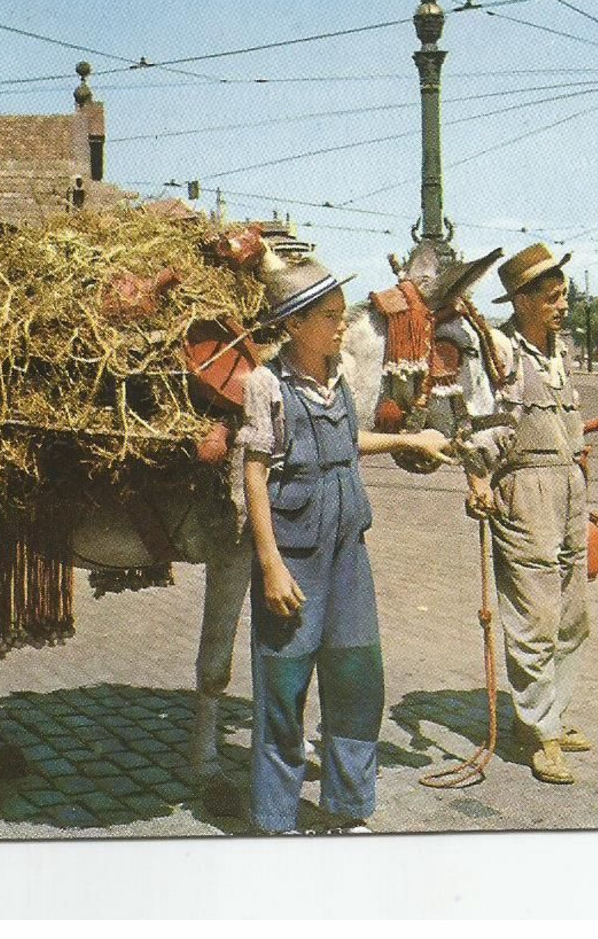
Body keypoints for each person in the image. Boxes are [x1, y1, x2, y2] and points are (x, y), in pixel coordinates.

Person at [239, 257, 450, 834]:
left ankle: (347, 807)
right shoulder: (267, 384)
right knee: (283, 687)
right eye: (329, 317)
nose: (339, 327)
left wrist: (411, 437)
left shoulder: (337, 379)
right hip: (295, 553)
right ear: (294, 324)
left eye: (339, 316)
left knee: (357, 678)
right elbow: (254, 471)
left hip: (348, 550)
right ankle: (276, 817)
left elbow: (347, 440)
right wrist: (271, 564)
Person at [463, 242, 593, 785]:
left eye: (564, 296)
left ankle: (554, 715)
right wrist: (476, 480)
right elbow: (473, 424)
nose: (562, 305)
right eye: (552, 297)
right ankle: (538, 733)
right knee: (534, 615)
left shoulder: (558, 353)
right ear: (521, 301)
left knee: (571, 614)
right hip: (524, 490)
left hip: (569, 486)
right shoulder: (500, 353)